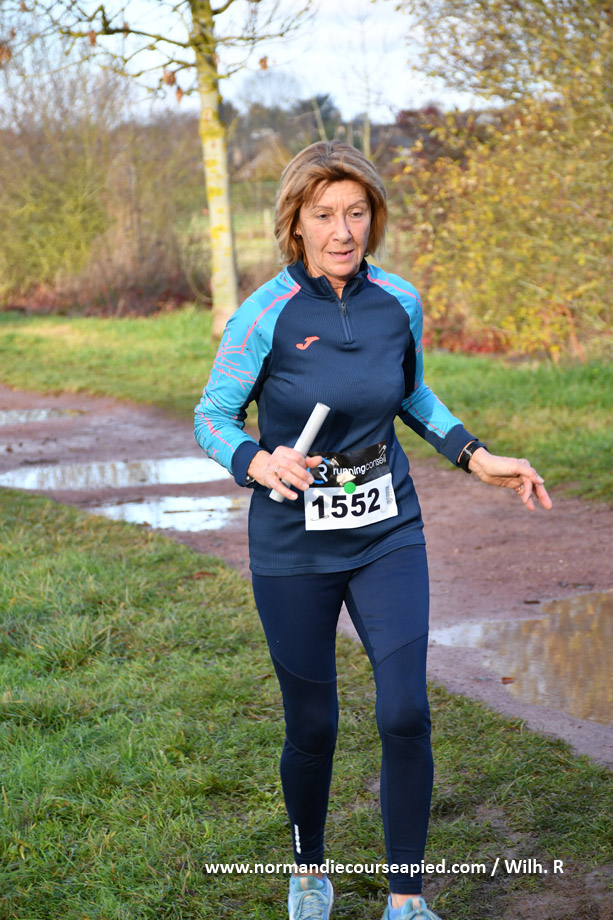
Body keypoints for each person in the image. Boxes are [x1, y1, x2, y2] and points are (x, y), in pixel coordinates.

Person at [194, 141, 552, 920]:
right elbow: (211, 416)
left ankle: (405, 899)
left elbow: (412, 394)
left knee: (404, 711)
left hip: (385, 527)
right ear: (295, 223)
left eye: (355, 213)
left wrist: (476, 456)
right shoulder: (262, 315)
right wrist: (257, 461)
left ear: (373, 218)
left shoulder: (399, 301)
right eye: (324, 214)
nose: (342, 231)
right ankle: (308, 873)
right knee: (311, 724)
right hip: (293, 541)